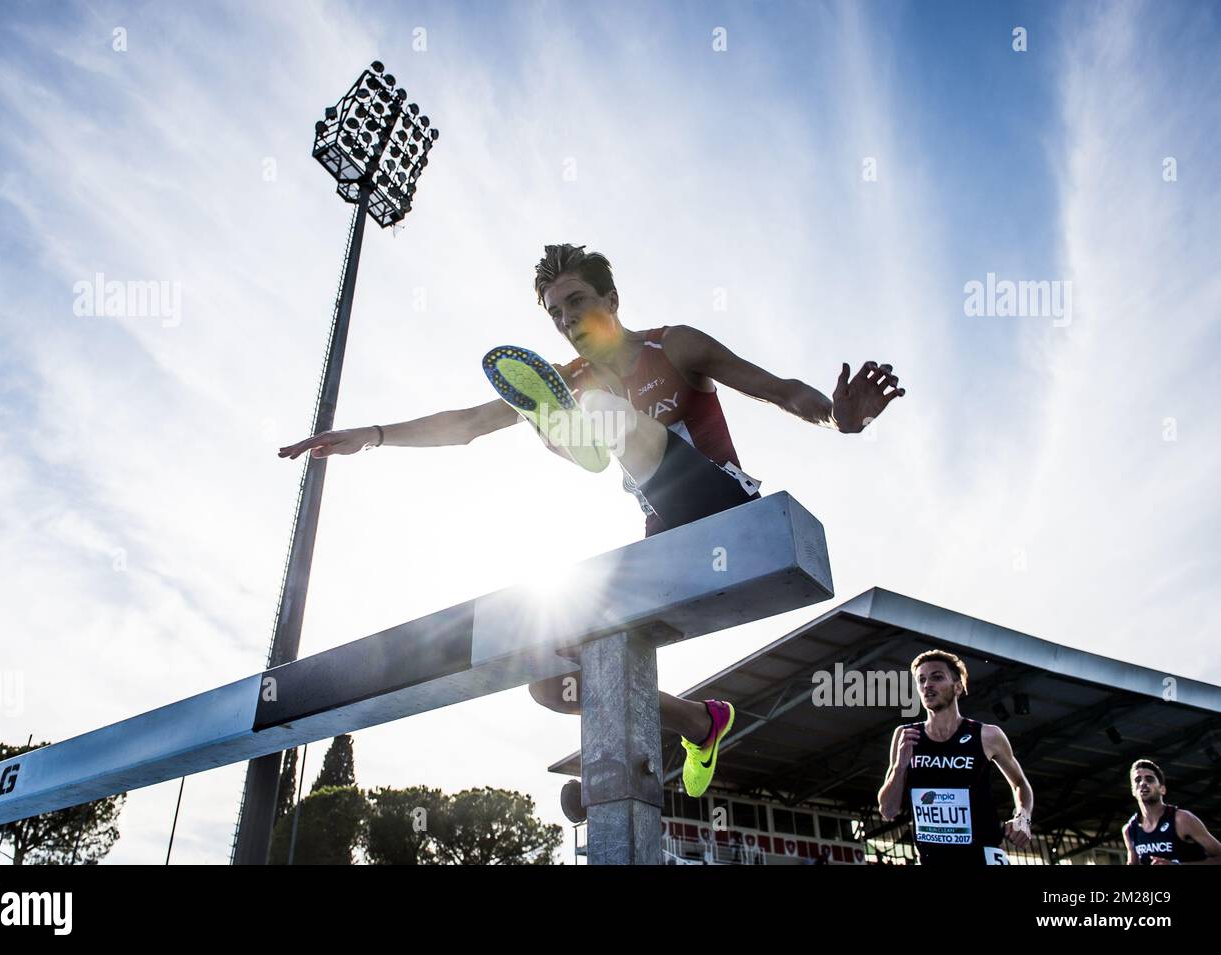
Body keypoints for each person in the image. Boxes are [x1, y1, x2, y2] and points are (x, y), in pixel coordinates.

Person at [280, 243, 905, 812]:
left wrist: (837, 417)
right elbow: (468, 423)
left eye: (576, 302)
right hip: (664, 549)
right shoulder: (568, 378)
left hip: (724, 514)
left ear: (611, 300)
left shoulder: (675, 345)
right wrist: (373, 436)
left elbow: (780, 390)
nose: (568, 321)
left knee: (604, 411)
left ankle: (577, 436)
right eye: (555, 315)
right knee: (551, 679)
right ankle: (699, 723)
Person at [877, 650, 1033, 865]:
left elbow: (1020, 783)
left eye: (937, 677)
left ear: (957, 686)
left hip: (982, 857)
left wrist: (1022, 818)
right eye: (921, 680)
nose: (927, 685)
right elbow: (888, 810)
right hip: (932, 860)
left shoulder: (987, 735)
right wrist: (899, 766)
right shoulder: (907, 736)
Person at [1122, 758, 1221, 864]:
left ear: (1162, 789)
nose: (1143, 783)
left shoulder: (1182, 819)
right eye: (1137, 780)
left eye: (1149, 779)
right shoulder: (1130, 829)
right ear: (1133, 791)